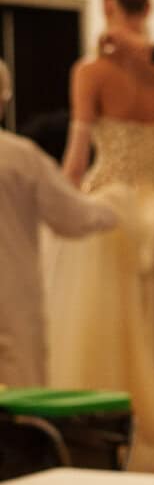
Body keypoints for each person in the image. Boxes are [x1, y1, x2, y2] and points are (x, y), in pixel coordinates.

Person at [47, 0, 154, 472]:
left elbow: (75, 158)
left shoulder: (90, 73)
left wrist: (55, 213)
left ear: (109, 6)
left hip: (112, 210)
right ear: (148, 7)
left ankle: (105, 449)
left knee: (104, 329)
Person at [0, 58, 121, 385]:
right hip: (12, 304)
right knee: (21, 406)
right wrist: (113, 206)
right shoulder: (20, 158)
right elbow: (72, 218)